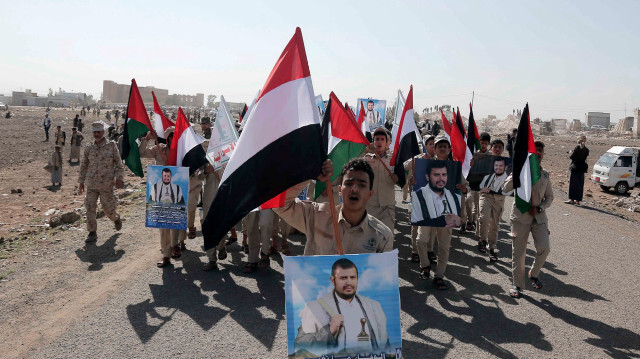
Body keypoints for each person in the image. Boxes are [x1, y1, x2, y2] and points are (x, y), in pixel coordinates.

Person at [274, 158, 393, 255]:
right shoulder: (316, 216)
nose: (355, 189)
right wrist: (311, 173)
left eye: (362, 185)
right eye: (349, 183)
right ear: (340, 190)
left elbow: (382, 281)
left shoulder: (382, 237)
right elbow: (280, 204)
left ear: (370, 194)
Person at [294, 258, 389, 355]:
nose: (349, 282)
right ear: (332, 280)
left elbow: (385, 345)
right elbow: (300, 344)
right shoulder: (315, 308)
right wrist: (329, 331)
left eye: (352, 277)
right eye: (343, 278)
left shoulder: (373, 306)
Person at [410, 134, 468, 290]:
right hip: (426, 213)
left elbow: (465, 186)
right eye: (439, 145)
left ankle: (439, 276)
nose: (442, 148)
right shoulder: (424, 166)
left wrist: (464, 188)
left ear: (449, 149)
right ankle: (425, 266)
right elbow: (415, 185)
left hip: (447, 214)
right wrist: (412, 182)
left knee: (444, 246)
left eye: (445, 146)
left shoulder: (455, 168)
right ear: (434, 149)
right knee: (421, 240)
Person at [504, 141, 553, 298]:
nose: (538, 153)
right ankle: (516, 284)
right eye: (535, 151)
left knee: (544, 248)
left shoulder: (545, 175)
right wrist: (518, 174)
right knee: (519, 252)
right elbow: (505, 188)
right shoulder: (521, 171)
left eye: (541, 151)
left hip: (538, 217)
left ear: (543, 154)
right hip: (520, 217)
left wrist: (540, 208)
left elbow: (550, 197)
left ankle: (534, 273)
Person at [139, 128, 187, 267]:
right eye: (170, 136)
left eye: (175, 136)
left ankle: (175, 244)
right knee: (163, 224)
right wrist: (147, 138)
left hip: (178, 191)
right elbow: (141, 153)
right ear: (167, 138)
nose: (173, 138)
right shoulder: (158, 149)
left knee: (176, 221)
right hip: (160, 191)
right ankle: (166, 254)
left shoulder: (183, 152)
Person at [78, 121, 124, 244]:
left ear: (103, 132)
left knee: (108, 210)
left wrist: (119, 178)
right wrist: (81, 181)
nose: (97, 134)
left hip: (106, 185)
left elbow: (119, 165)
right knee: (90, 207)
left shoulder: (112, 146)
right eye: (95, 132)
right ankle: (92, 232)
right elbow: (83, 165)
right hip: (91, 184)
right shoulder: (89, 147)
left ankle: (116, 218)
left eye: (99, 132)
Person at [363, 128, 399, 239]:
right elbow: (351, 164)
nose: (379, 142)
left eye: (382, 139)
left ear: (387, 142)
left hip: (387, 207)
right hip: (369, 206)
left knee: (386, 240)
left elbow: (404, 175)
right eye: (377, 139)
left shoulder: (394, 159)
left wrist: (399, 178)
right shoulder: (365, 158)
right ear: (373, 142)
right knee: (368, 240)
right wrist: (364, 151)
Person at [404, 135, 435, 263]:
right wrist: (418, 160)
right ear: (425, 146)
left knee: (432, 226)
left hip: (433, 199)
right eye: (430, 144)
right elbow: (405, 166)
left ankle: (429, 250)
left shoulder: (439, 160)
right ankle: (415, 251)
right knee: (416, 225)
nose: (433, 147)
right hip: (417, 196)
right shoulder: (417, 158)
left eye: (434, 144)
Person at [477, 157, 511, 261]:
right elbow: (479, 187)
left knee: (494, 224)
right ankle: (482, 240)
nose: (498, 168)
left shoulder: (508, 179)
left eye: (501, 166)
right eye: (496, 165)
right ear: (493, 166)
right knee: (484, 218)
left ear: (505, 167)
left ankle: (491, 248)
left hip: (499, 200)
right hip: (486, 197)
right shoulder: (487, 177)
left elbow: (510, 191)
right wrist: (482, 189)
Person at [411, 161, 461, 226]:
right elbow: (414, 223)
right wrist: (443, 221)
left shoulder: (456, 198)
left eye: (444, 175)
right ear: (427, 177)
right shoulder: (416, 197)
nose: (441, 179)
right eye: (436, 175)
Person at [566, 135, 589, 205]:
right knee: (580, 185)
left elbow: (571, 157)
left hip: (575, 168)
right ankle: (578, 201)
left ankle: (572, 200)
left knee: (573, 184)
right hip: (582, 169)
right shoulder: (586, 150)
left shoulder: (577, 148)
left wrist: (572, 152)